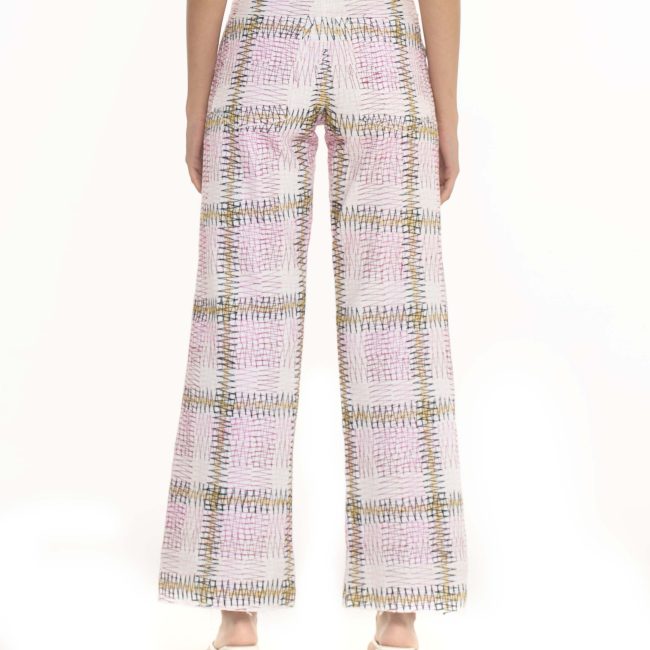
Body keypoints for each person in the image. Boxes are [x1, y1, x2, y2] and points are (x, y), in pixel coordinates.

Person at [157, 1, 467, 649]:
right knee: (398, 328)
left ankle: (237, 614)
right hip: (381, 44)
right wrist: (447, 112)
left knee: (243, 326)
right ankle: (399, 614)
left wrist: (195, 105)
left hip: (265, 40)